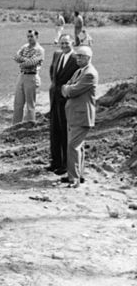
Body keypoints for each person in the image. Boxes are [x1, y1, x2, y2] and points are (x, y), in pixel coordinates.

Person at [61, 46, 98, 188]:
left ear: (88, 58)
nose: (78, 58)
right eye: (77, 56)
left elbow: (71, 90)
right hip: (74, 114)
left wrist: (67, 89)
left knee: (73, 146)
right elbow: (68, 86)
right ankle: (78, 175)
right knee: (78, 146)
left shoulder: (90, 74)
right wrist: (68, 88)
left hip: (81, 116)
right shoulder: (79, 71)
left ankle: (74, 179)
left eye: (81, 56)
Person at [47, 34, 78, 176]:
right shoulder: (57, 55)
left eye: (67, 43)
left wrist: (66, 91)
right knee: (54, 131)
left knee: (65, 132)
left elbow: (77, 79)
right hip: (54, 98)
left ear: (72, 42)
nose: (64, 45)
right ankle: (55, 162)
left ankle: (65, 164)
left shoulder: (76, 59)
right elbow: (52, 72)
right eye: (62, 43)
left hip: (66, 100)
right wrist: (54, 88)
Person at [12, 29, 45, 124]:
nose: (29, 38)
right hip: (22, 76)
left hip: (32, 77)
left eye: (32, 36)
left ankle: (30, 125)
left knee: (30, 105)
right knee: (18, 103)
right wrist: (25, 61)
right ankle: (15, 125)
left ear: (36, 37)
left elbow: (32, 63)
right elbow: (16, 57)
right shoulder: (24, 47)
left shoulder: (40, 50)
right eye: (28, 36)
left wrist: (23, 62)